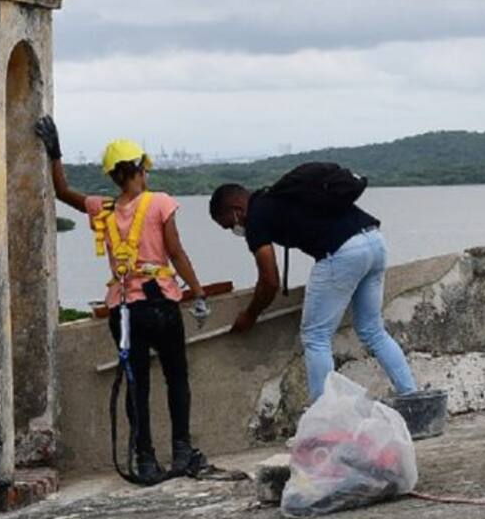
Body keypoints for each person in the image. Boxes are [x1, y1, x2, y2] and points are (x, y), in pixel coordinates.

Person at [34, 115, 218, 483]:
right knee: (176, 378)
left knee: (137, 386)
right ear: (139, 169)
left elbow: (62, 191)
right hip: (162, 304)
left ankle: (145, 458)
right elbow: (176, 253)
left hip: (124, 310)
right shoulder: (159, 202)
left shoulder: (102, 208)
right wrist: (197, 292)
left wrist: (54, 151)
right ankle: (182, 450)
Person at [208, 172, 419, 407]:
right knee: (373, 330)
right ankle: (413, 397)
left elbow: (269, 281)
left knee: (316, 337)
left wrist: (250, 315)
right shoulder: (279, 196)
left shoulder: (256, 217)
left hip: (342, 252)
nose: (233, 229)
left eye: (229, 224)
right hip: (374, 240)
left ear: (237, 208)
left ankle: (324, 415)